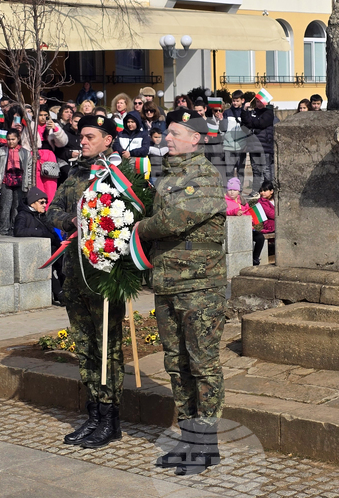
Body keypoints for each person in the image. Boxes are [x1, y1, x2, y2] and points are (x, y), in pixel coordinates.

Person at [134, 114, 227, 476]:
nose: (166, 137)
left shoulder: (205, 177)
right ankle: (189, 439)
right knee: (176, 363)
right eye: (167, 132)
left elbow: (173, 221)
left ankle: (207, 444)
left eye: (175, 133)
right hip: (169, 282)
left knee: (202, 365)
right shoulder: (169, 176)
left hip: (199, 286)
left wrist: (137, 228)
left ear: (197, 139)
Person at [45, 115, 126, 449]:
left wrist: (100, 222)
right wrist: (76, 219)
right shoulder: (76, 173)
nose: (84, 141)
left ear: (107, 139)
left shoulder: (120, 174)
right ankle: (93, 414)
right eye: (82, 136)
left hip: (104, 275)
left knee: (108, 347)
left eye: (91, 136)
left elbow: (132, 213)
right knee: (85, 346)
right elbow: (51, 212)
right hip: (75, 273)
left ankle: (110, 418)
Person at [14, 187, 63, 304]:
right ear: (32, 203)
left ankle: (66, 291)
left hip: (51, 248)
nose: (45, 205)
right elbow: (18, 231)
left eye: (46, 202)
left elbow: (51, 233)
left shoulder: (43, 215)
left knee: (63, 263)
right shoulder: (23, 215)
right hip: (37, 252)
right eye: (41, 202)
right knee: (48, 268)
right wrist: (40, 232)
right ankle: (59, 294)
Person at [0, 129, 33, 236]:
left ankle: (15, 228)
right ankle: (4, 229)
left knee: (17, 206)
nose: (10, 142)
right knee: (5, 205)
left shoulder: (26, 153)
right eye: (8, 139)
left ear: (18, 139)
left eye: (13, 139)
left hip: (20, 182)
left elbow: (29, 169)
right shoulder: (1, 151)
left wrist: (29, 184)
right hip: (5, 181)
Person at [242, 91, 275, 192]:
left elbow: (261, 123)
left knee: (266, 171)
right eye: (257, 102)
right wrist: (244, 110)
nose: (259, 104)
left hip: (264, 147)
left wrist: (251, 123)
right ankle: (256, 191)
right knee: (256, 171)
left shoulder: (269, 113)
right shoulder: (252, 112)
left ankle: (269, 192)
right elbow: (244, 124)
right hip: (253, 147)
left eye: (261, 102)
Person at [222, 91, 249, 186]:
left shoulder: (245, 112)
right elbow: (223, 129)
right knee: (229, 171)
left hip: (242, 146)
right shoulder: (227, 112)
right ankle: (230, 190)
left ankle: (240, 191)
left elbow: (248, 130)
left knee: (240, 171)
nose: (235, 103)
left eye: (237, 101)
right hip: (229, 147)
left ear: (242, 100)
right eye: (233, 101)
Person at [251, 181, 276, 266]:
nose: (262, 193)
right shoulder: (262, 202)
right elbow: (272, 214)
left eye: (265, 190)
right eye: (261, 191)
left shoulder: (276, 200)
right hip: (270, 226)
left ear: (271, 191)